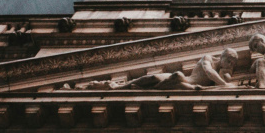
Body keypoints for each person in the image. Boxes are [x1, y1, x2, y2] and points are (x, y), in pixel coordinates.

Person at [71, 48, 238, 90]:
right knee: (153, 78)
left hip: (185, 85)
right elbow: (209, 72)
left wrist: (226, 79)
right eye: (229, 61)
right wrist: (224, 84)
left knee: (178, 80)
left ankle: (143, 89)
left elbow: (220, 78)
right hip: (183, 80)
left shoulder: (224, 72)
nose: (230, 66)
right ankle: (118, 87)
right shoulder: (208, 58)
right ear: (222, 56)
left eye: (232, 64)